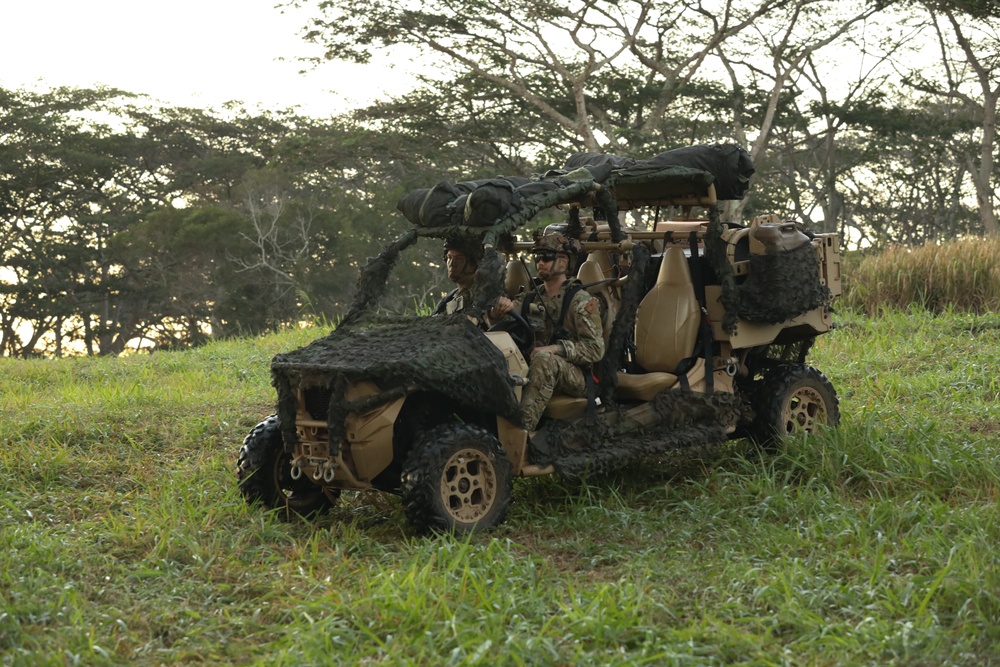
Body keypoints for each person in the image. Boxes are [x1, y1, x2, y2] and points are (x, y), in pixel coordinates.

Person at [492, 234, 605, 431]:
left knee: (545, 359)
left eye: (546, 257)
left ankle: (520, 434)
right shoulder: (530, 298)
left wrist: (555, 348)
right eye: (537, 258)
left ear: (563, 262)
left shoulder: (581, 301)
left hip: (576, 374)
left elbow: (595, 349)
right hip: (536, 367)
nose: (540, 262)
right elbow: (502, 324)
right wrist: (497, 311)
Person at [433, 237, 481, 316]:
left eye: (459, 259)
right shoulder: (450, 297)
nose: (452, 263)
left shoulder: (482, 295)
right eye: (449, 257)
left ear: (473, 264)